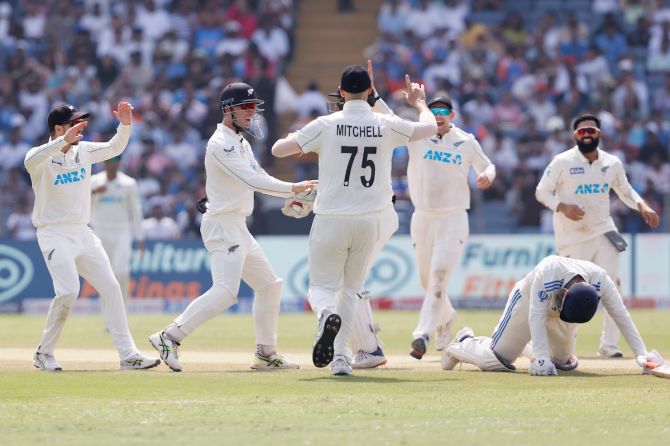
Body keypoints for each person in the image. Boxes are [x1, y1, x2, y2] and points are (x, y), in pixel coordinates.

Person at [272, 65, 438, 376]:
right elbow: (429, 128)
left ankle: (326, 316)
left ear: (342, 92)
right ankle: (340, 360)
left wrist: (301, 137)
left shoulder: (325, 123)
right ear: (369, 92)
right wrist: (419, 103)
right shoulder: (385, 123)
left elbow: (278, 149)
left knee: (320, 288)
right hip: (369, 221)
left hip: (332, 217)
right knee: (350, 290)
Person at [149, 82, 317, 372]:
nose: (252, 112)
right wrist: (294, 188)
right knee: (226, 291)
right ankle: (168, 336)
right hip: (223, 226)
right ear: (229, 110)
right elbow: (252, 182)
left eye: (254, 107)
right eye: (246, 107)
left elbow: (259, 174)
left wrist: (289, 192)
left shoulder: (240, 141)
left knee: (269, 285)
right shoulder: (221, 143)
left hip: (237, 225)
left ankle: (266, 354)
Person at [24, 103, 159, 372]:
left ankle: (128, 354)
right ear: (59, 128)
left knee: (111, 288)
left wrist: (125, 124)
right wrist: (63, 141)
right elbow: (30, 160)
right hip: (53, 233)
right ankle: (44, 353)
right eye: (74, 123)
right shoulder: (39, 158)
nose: (81, 126)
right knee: (69, 292)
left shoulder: (83, 151)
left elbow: (114, 148)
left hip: (83, 233)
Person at [535, 114, 660, 358]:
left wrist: (642, 205)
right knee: (569, 291)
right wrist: (562, 206)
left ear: (599, 134)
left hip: (604, 230)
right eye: (582, 132)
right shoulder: (562, 161)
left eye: (591, 130)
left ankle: (609, 346)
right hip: (572, 237)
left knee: (613, 286)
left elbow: (625, 191)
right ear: (575, 136)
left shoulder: (612, 163)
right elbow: (542, 192)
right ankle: (565, 349)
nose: (587, 135)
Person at [442, 255, 665, 375]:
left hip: (561, 313)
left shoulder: (600, 280)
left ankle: (529, 349)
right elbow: (536, 316)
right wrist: (540, 358)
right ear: (564, 293)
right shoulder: (547, 272)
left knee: (563, 364)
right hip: (527, 303)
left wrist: (642, 354)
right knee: (497, 361)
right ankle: (463, 342)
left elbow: (621, 315)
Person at [405, 95, 496, 360]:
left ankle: (421, 334)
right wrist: (372, 95)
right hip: (422, 218)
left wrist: (486, 175)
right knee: (427, 281)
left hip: (453, 218)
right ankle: (446, 317)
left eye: (444, 111)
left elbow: (487, 165)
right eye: (434, 111)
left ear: (452, 116)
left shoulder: (465, 141)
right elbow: (387, 117)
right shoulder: (417, 136)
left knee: (439, 278)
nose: (438, 115)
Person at [90, 156, 144, 303]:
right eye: (108, 162)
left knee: (121, 271)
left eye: (114, 162)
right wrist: (94, 192)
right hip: (99, 231)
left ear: (119, 163)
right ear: (104, 163)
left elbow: (136, 211)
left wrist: (140, 238)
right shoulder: (94, 181)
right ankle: (108, 318)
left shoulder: (128, 183)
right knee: (105, 275)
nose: (111, 165)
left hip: (122, 231)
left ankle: (122, 314)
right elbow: (80, 204)